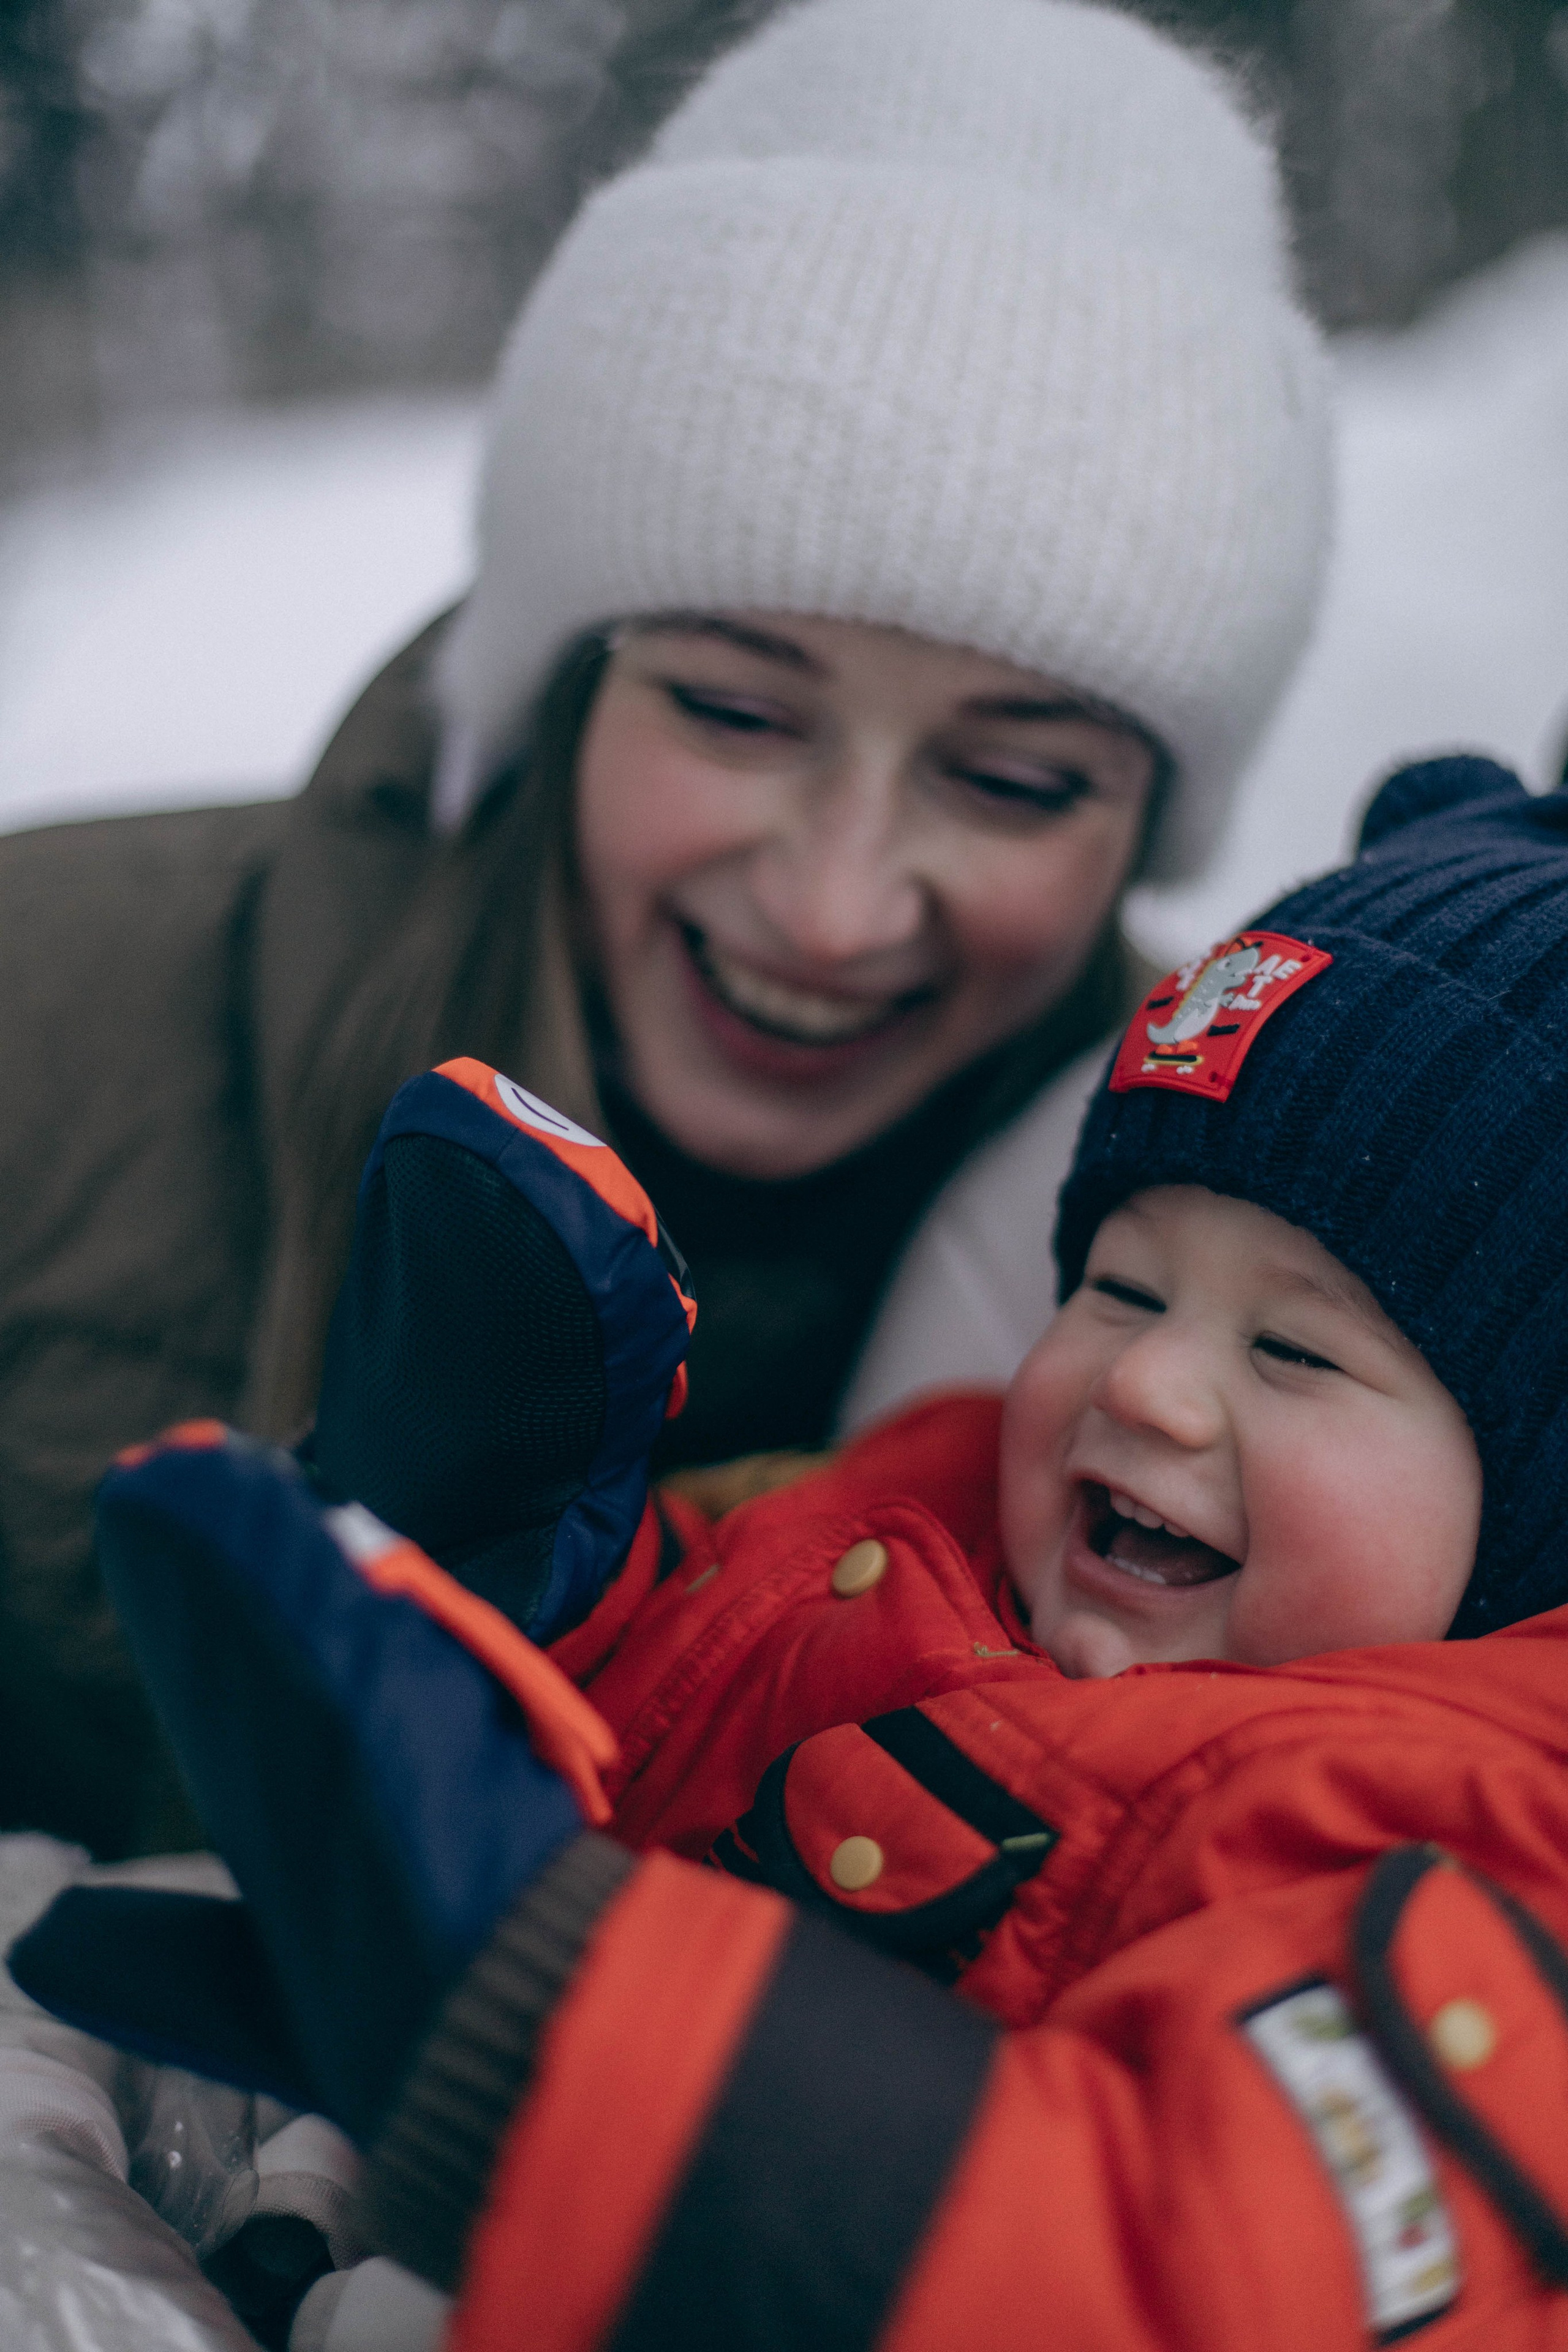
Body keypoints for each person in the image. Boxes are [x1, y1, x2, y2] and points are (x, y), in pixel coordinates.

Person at [18, 751, 1568, 2350]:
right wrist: (524, 1577)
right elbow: (690, 1702)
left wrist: (527, 2002)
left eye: (1297, 1356)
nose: (1147, 1381)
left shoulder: (1494, 1861)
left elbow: (1174, 2269)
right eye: (1121, 1285)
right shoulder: (937, 1516)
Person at [0, 0, 1330, 1859]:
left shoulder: (1287, 1273)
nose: (832, 903)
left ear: (1144, 828)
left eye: (1015, 783)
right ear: (562, 685)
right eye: (734, 710)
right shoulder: (40, 1010)